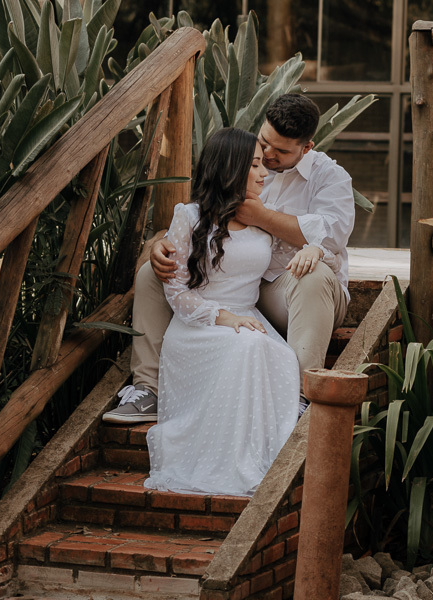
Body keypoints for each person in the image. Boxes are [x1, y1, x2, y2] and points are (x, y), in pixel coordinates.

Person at [104, 94, 355, 424]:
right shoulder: (245, 159)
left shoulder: (330, 177)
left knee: (315, 275)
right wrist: (161, 243)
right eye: (265, 143)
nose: (267, 156)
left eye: (280, 151)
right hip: (243, 287)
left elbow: (332, 236)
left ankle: (300, 396)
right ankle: (147, 389)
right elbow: (202, 216)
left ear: (306, 148)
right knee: (153, 273)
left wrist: (262, 216)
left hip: (295, 293)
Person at [144, 127, 317, 496]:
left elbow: (306, 246)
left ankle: (257, 457)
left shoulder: (263, 219)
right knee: (249, 346)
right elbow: (175, 290)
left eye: (261, 166)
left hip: (248, 319)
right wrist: (226, 318)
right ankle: (223, 462)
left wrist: (314, 250)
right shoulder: (188, 216)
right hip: (198, 326)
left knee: (276, 355)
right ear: (230, 168)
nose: (263, 173)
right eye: (254, 165)